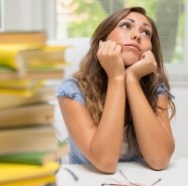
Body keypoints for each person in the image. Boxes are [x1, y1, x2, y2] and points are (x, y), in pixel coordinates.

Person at [56, 7, 176, 173]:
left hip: (139, 184)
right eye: (126, 26)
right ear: (103, 38)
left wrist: (132, 79)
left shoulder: (155, 89)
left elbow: (159, 159)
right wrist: (116, 78)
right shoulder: (72, 90)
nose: (137, 35)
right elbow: (105, 163)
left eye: (146, 32)